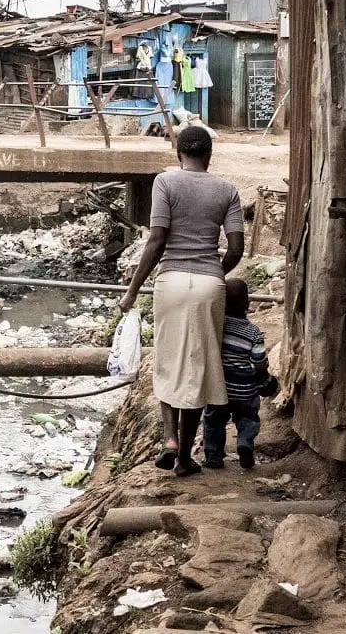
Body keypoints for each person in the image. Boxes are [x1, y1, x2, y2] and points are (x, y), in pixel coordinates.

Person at [120, 126, 244, 477]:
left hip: (171, 282)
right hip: (209, 285)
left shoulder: (165, 182)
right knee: (198, 368)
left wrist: (131, 290)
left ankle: (170, 439)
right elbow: (236, 249)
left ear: (178, 154)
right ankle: (185, 459)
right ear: (209, 156)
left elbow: (157, 240)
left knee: (168, 360)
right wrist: (214, 271)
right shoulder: (228, 190)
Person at [202, 278, 273, 470]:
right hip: (245, 389)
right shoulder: (253, 332)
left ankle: (213, 457)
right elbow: (258, 360)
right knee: (248, 418)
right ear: (247, 304)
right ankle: (244, 443)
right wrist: (263, 376)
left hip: (219, 388)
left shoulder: (217, 327)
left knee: (213, 420)